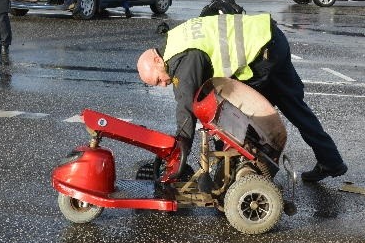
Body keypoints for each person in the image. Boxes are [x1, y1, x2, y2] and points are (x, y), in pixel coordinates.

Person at [136, 13, 348, 182]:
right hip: (269, 37)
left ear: (157, 60)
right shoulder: (174, 39)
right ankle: (331, 161)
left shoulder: (182, 61)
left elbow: (186, 109)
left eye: (158, 81)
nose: (163, 85)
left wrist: (180, 151)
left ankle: (246, 170)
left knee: (233, 113)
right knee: (294, 107)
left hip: (262, 53)